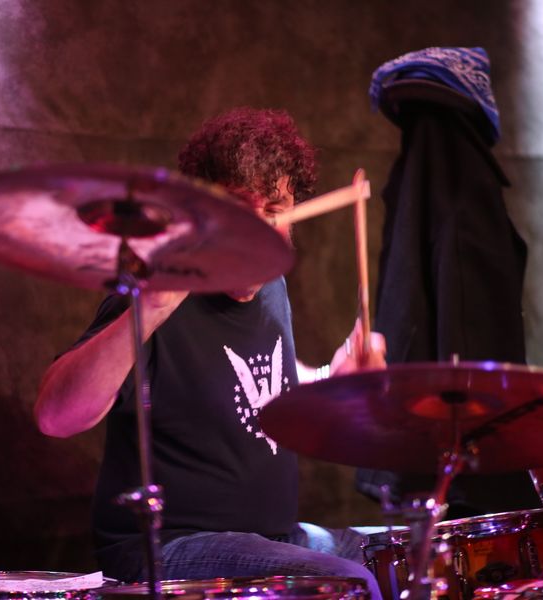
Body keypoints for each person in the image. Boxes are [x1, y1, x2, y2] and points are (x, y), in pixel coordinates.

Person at [34, 107, 386, 594]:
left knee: (408, 550)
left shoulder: (273, 287)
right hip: (171, 546)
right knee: (346, 582)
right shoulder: (155, 296)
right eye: (239, 209)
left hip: (273, 537)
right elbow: (56, 417)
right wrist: (149, 308)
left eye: (275, 209)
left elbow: (254, 382)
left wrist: (331, 378)